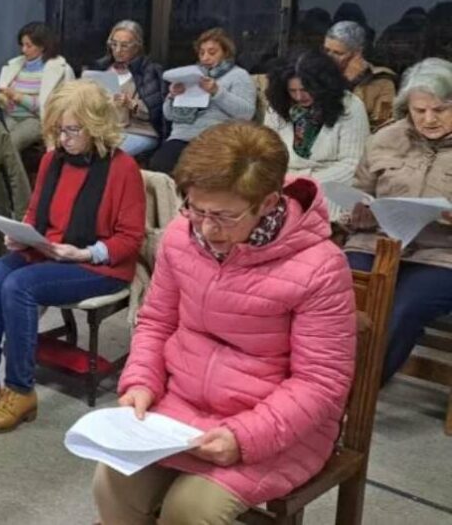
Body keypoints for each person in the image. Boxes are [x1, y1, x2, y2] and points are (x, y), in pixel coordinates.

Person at [93, 122, 356, 524]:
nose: (207, 228)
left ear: (268, 203)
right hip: (180, 408)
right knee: (111, 482)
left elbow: (320, 383)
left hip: (274, 425)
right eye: (195, 209)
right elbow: (156, 322)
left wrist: (244, 437)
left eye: (224, 216)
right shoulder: (183, 236)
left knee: (190, 511)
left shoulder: (319, 266)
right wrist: (141, 382)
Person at [0, 80, 145, 433]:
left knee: (18, 286)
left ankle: (20, 389)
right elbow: (36, 214)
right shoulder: (53, 160)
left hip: (98, 265)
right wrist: (21, 236)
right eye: (59, 130)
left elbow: (130, 239)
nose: (64, 139)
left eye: (72, 130)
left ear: (96, 125)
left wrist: (85, 251)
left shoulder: (122, 168)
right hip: (50, 250)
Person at [345, 58, 452, 383]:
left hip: (440, 256)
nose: (429, 119)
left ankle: (360, 392)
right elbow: (359, 192)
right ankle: (319, 382)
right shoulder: (386, 139)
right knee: (334, 293)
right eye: (419, 111)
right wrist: (358, 213)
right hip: (377, 241)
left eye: (441, 109)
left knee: (402, 308)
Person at [264, 50, 370, 218]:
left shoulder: (351, 107)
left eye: (306, 89)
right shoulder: (277, 107)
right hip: (283, 185)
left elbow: (352, 164)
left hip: (332, 189)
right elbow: (267, 155)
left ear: (323, 85)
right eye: (292, 90)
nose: (299, 96)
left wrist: (304, 182)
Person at [151, 28, 256, 174]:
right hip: (181, 136)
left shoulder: (238, 75)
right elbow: (168, 115)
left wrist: (217, 92)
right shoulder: (190, 75)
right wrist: (172, 96)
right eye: (202, 53)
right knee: (159, 165)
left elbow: (246, 113)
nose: (205, 57)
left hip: (215, 137)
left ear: (225, 53)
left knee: (197, 171)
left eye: (212, 53)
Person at [89, 19, 166, 157]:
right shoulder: (101, 68)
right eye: (114, 44)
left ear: (137, 47)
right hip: (106, 129)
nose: (118, 50)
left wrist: (132, 104)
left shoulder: (149, 71)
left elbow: (157, 112)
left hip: (138, 130)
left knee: (107, 155)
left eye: (124, 46)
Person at [0, 21, 75, 151]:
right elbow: (5, 98)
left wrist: (18, 97)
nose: (23, 50)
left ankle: (3, 171)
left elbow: (51, 107)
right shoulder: (14, 65)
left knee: (11, 143)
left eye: (28, 46)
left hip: (37, 120)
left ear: (42, 46)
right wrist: (2, 98)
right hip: (10, 117)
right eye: (22, 45)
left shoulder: (60, 70)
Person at [323, 21, 397, 130]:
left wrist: (352, 83)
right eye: (326, 50)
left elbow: (383, 125)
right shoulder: (316, 72)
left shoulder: (383, 82)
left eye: (338, 53)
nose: (329, 57)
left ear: (357, 53)